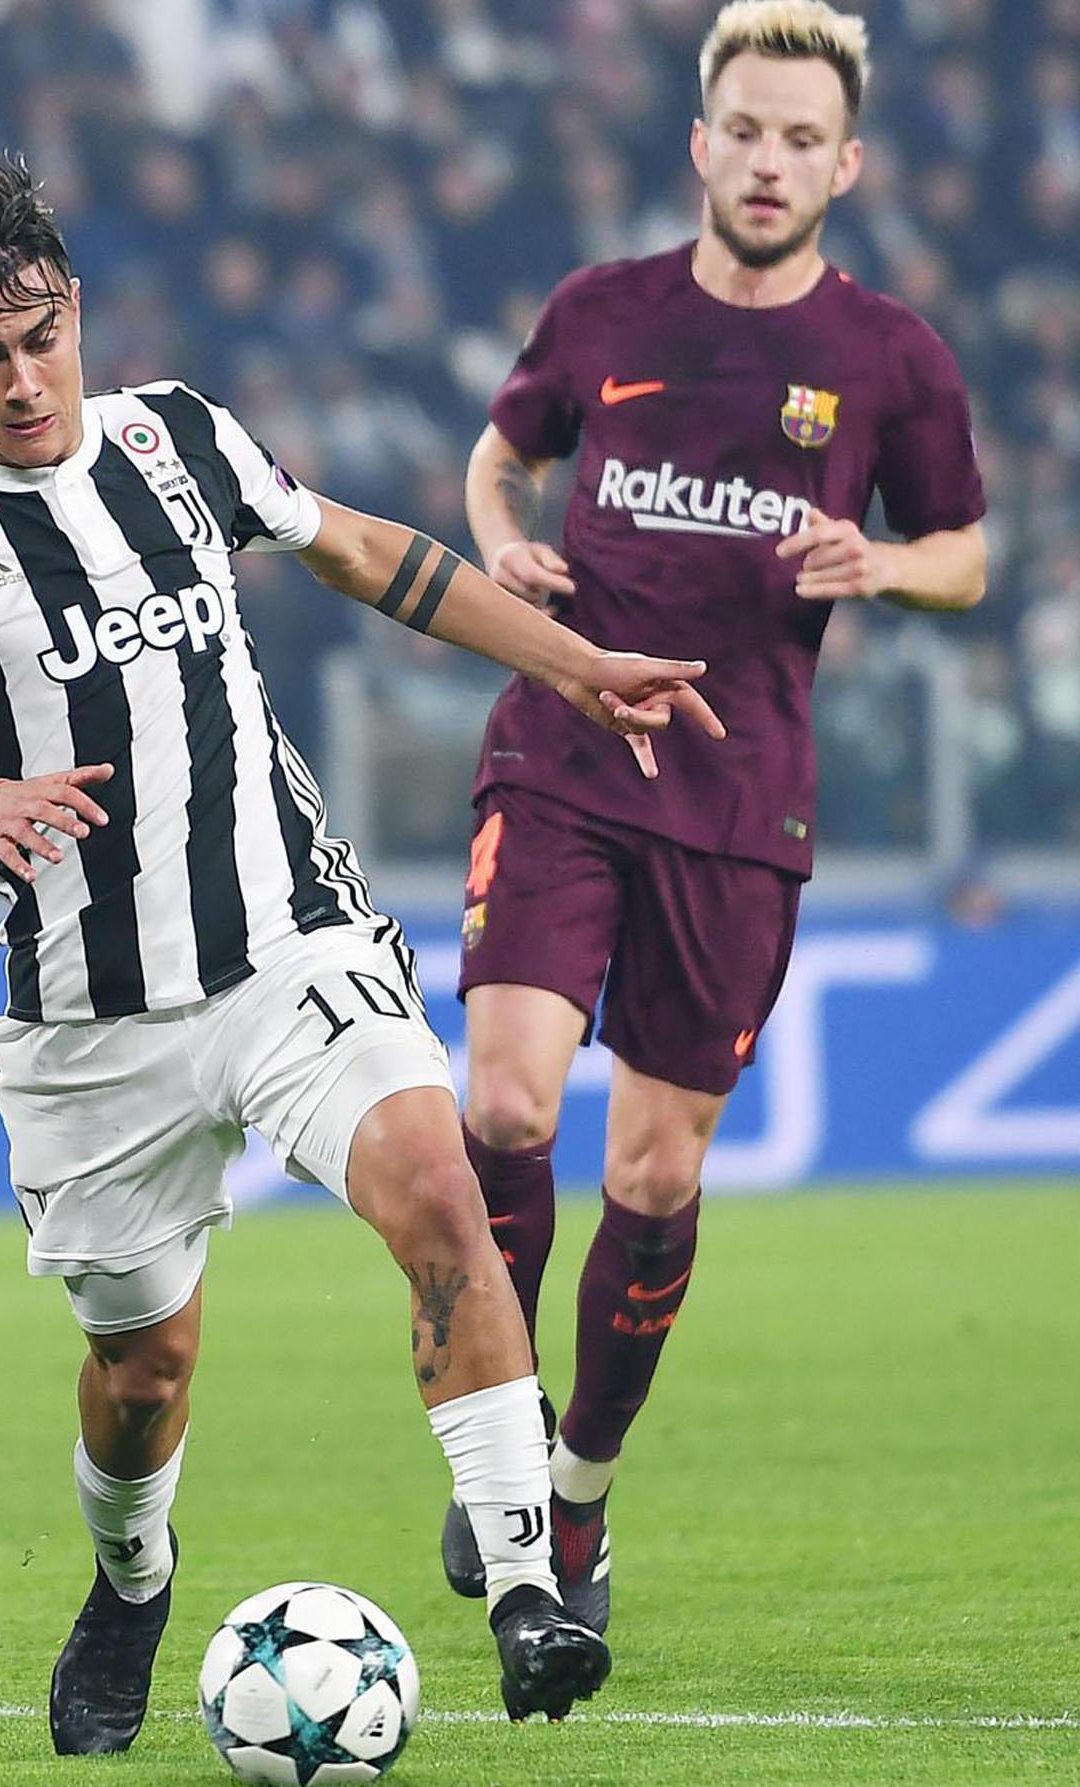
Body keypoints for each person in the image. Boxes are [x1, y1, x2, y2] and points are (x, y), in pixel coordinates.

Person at [0, 156, 723, 1749]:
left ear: (76, 311)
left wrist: (579, 666)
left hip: (290, 945)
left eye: (41, 337)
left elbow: (370, 553)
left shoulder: (180, 435)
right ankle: (132, 1575)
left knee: (439, 1187)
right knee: (141, 1372)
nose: (25, 382)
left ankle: (528, 1592)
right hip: (94, 1023)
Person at [445, 0, 984, 1630]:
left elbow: (957, 551)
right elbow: (493, 458)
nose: (764, 161)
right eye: (740, 130)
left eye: (796, 139)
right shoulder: (599, 307)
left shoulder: (886, 356)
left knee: (656, 1179)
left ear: (843, 162)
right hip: (558, 746)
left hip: (740, 803)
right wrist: (505, 548)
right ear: (698, 142)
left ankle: (578, 1494)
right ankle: (489, 1443)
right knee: (505, 1106)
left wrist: (876, 562)